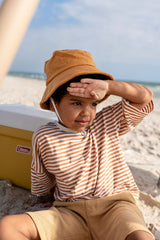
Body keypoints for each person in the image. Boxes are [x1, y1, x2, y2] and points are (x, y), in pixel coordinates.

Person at [0, 49, 155, 240]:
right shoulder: (45, 136)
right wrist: (39, 196)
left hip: (115, 207)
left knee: (142, 237)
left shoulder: (105, 122)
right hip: (70, 212)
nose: (86, 113)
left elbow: (145, 97)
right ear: (52, 104)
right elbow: (41, 173)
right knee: (7, 226)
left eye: (92, 104)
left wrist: (109, 86)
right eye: (76, 103)